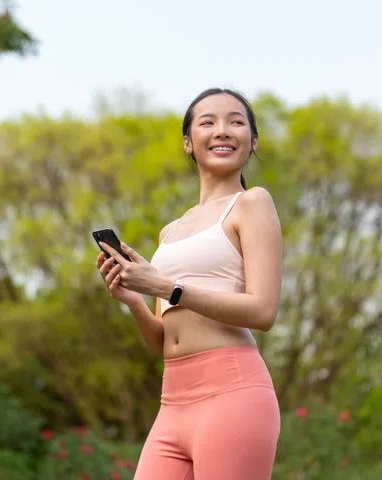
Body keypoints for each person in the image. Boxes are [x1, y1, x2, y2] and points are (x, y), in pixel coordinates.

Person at [95, 87, 283, 480]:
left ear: (253, 141)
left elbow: (263, 311)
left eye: (236, 122)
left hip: (232, 394)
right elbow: (165, 343)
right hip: (173, 401)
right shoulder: (170, 232)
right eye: (208, 122)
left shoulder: (251, 204)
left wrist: (168, 288)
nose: (223, 131)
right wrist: (134, 300)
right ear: (188, 143)